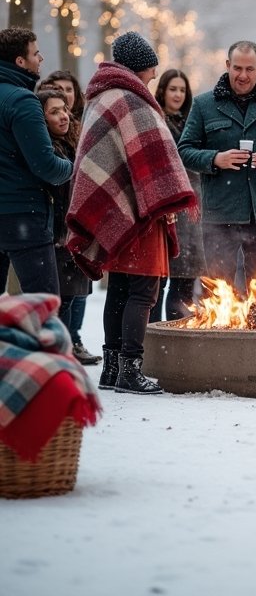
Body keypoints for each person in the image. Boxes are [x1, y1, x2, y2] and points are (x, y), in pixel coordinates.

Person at [66, 31, 197, 394]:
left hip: (116, 212)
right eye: (151, 71)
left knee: (119, 291)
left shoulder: (100, 97)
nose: (154, 78)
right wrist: (164, 200)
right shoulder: (131, 100)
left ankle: (111, 369)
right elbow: (154, 158)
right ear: (139, 67)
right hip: (141, 216)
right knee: (143, 293)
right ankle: (130, 370)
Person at [178, 40, 256, 292]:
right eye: (237, 68)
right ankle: (221, 332)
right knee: (219, 289)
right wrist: (215, 159)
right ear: (227, 65)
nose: (242, 75)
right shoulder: (204, 105)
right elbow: (184, 151)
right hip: (220, 211)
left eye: (249, 69)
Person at [0, 27, 72, 295]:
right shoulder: (22, 100)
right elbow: (47, 167)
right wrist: (74, 168)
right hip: (23, 217)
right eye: (35, 53)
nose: (40, 58)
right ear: (20, 61)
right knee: (43, 304)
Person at [37, 87, 101, 365]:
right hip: (56, 234)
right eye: (54, 112)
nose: (63, 116)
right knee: (60, 301)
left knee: (74, 297)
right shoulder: (45, 149)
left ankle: (68, 348)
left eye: (64, 109)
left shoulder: (75, 142)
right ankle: (58, 357)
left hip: (77, 232)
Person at [150, 69, 205, 321]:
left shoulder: (193, 123)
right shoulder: (154, 120)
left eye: (182, 90)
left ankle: (176, 339)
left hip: (192, 206)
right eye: (173, 89)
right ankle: (151, 337)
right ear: (162, 90)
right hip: (163, 204)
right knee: (156, 284)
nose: (178, 94)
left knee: (184, 281)